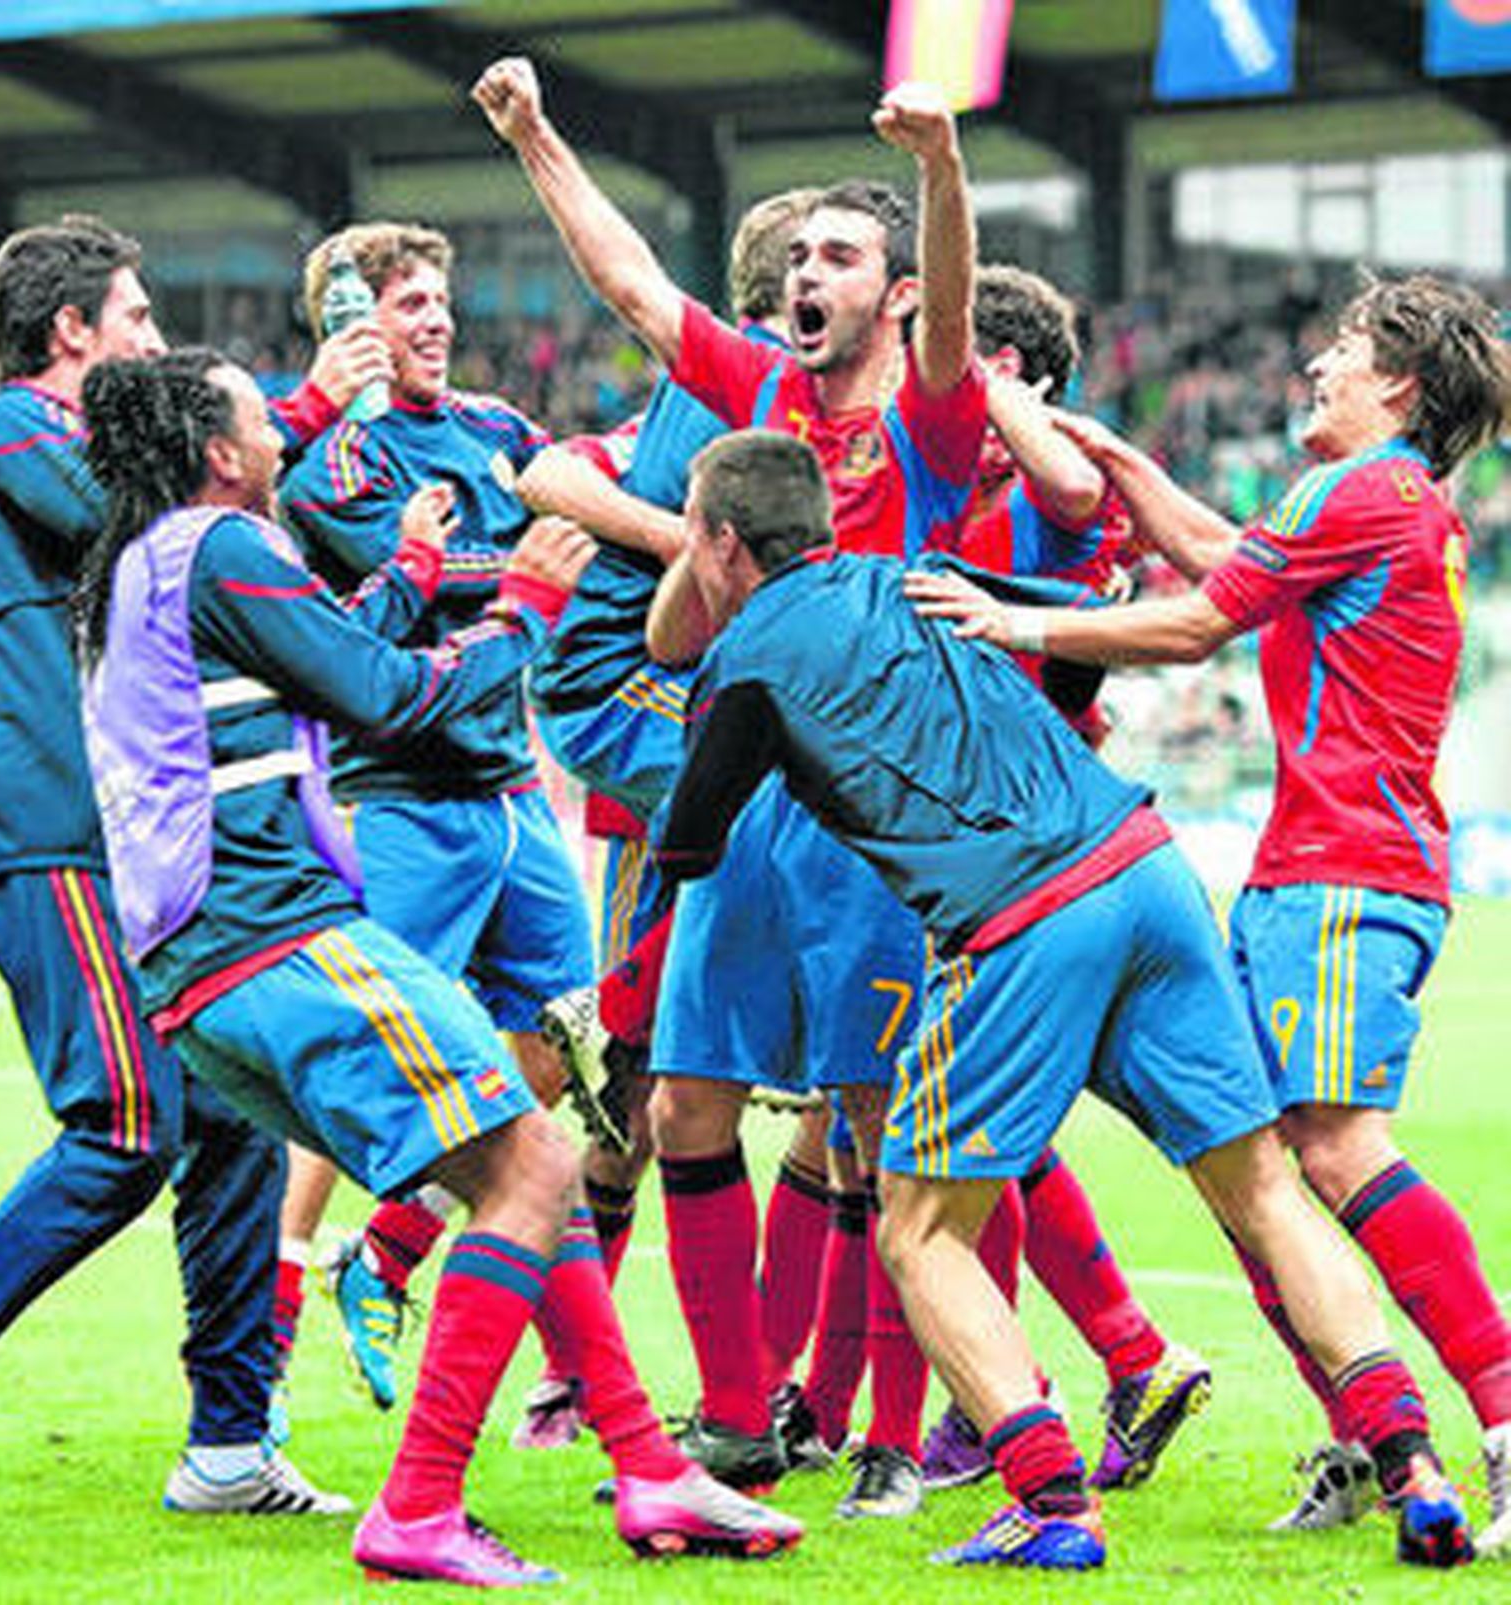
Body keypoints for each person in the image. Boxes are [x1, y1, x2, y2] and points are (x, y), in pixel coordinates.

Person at [655, 426, 1475, 1573]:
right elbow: (1057, 614)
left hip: (1019, 917)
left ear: (717, 542)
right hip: (1143, 859)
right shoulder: (905, 574)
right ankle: (1410, 1458)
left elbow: (689, 843)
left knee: (919, 1223)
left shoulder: (745, 654)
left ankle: (1049, 1500)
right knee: (1262, 1189)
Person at [74, 348, 803, 1585]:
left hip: (203, 964)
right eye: (264, 419)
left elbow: (326, 670)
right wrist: (517, 608)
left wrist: (411, 574)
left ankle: (647, 1468)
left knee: (529, 1158)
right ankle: (416, 1506)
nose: (282, 436)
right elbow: (391, 700)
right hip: (277, 934)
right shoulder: (222, 540)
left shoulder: (148, 564)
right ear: (218, 453)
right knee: (535, 1158)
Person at [906, 269, 1511, 1553]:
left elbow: (1196, 627)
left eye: (1343, 351)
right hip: (1333, 868)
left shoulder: (1360, 485)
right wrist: (1126, 462)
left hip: (1341, 873)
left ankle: (1504, 1421)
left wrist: (1006, 617)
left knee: (1333, 1156)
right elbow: (1232, 566)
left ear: (1397, 386)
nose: (1316, 370)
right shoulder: (1400, 504)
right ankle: (1363, 1437)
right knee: (1263, 1171)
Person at [475, 57, 985, 1517]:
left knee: (879, 1130)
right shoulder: (761, 389)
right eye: (801, 256)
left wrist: (942, 169)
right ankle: (737, 1419)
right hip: (744, 807)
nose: (806, 275)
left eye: (841, 257)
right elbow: (637, 288)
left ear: (888, 296)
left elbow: (952, 310)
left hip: (880, 829)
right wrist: (537, 137)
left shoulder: (934, 417)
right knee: (685, 1109)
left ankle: (889, 1437)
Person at [0, 214, 368, 1513]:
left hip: (124, 838)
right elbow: (144, 509)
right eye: (140, 322)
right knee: (125, 1124)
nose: (156, 345)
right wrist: (301, 405)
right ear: (73, 334)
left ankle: (230, 1443)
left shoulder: (91, 451)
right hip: (36, 823)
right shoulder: (6, 429)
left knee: (228, 1108)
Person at [270, 220, 613, 1422]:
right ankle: (269, 1327)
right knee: (359, 1061)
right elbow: (421, 603)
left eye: (439, 301)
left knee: (571, 1035)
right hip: (400, 797)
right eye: (405, 303)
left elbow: (579, 523)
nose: (432, 321)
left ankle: (393, 1248)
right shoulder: (333, 469)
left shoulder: (499, 432)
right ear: (349, 325)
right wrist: (525, 574)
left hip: (513, 792)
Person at [919, 263, 1209, 1495]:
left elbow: (1076, 488)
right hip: (1014, 833)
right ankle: (1004, 1393)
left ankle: (1079, 1375)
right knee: (990, 1126)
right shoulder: (975, 487)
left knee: (959, 1127)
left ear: (1014, 374)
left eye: (958, 350)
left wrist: (983, 388)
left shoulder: (1048, 495)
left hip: (1018, 847)